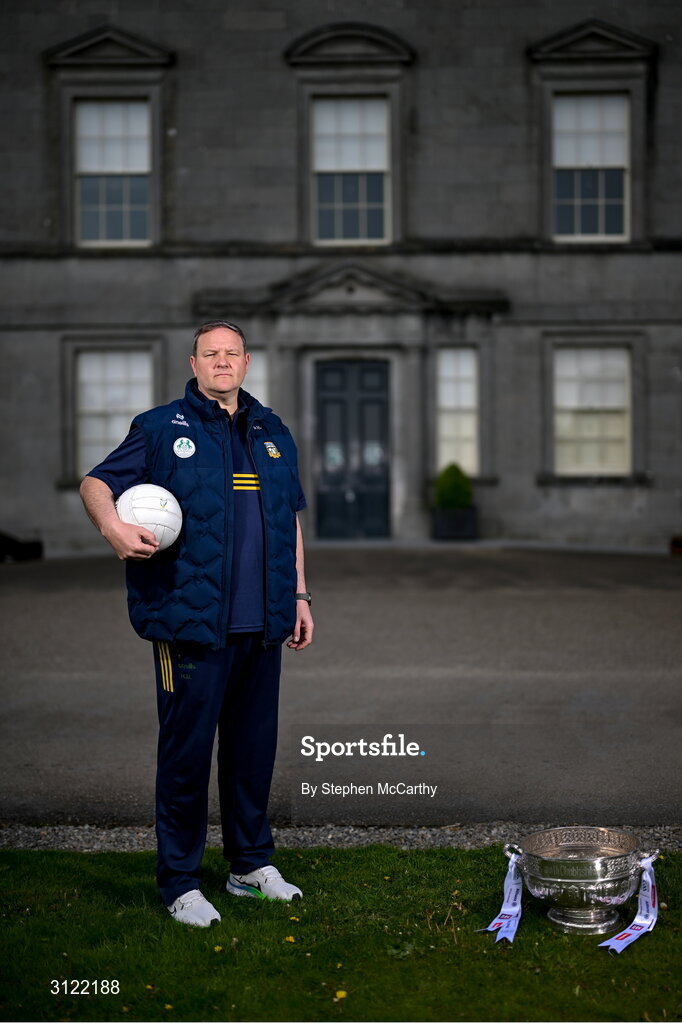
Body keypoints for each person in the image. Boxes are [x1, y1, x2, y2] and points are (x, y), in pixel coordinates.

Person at [80, 320, 313, 927]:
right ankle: (180, 881)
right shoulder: (160, 428)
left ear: (246, 362)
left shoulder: (273, 431)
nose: (222, 362)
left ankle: (248, 867)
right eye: (211, 354)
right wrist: (113, 529)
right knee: (186, 756)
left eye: (231, 353)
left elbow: (288, 520)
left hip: (262, 625)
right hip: (188, 625)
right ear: (194, 362)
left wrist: (301, 595)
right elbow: (97, 483)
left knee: (253, 751)